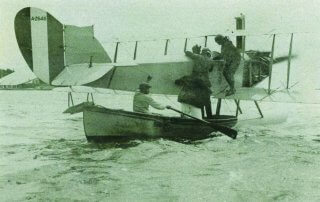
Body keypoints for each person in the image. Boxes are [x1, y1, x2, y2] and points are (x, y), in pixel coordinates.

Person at [184, 46, 214, 118]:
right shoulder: (211, 61)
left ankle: (201, 117)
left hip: (197, 83)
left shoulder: (197, 57)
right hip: (206, 83)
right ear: (208, 53)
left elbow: (187, 52)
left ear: (202, 52)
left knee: (199, 101)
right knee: (207, 102)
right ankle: (210, 117)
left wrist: (196, 52)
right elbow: (210, 70)